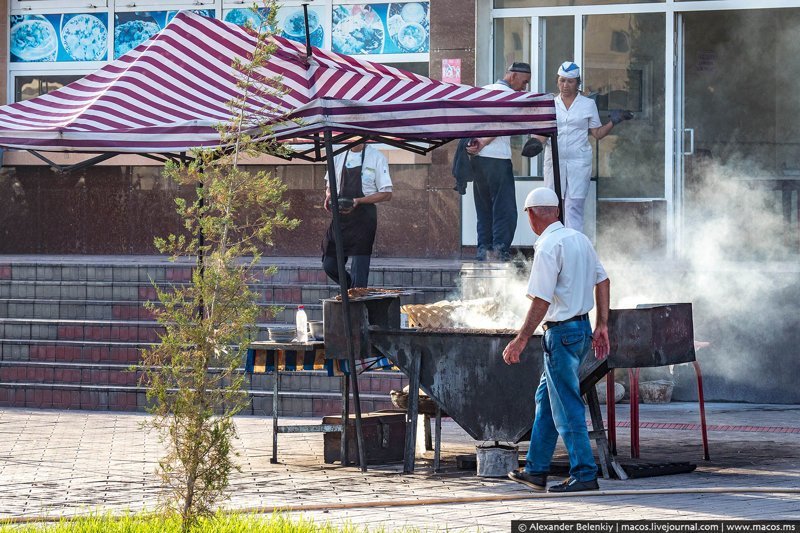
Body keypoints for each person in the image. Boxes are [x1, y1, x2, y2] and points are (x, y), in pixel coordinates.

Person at [503, 187, 610, 493]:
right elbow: (603, 280)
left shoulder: (548, 246)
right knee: (546, 401)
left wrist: (521, 339)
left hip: (560, 334)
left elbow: (541, 300)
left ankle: (585, 474)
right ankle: (536, 469)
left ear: (532, 215)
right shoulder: (580, 239)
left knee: (566, 405)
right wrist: (602, 324)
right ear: (557, 212)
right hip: (580, 331)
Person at [540, 61, 632, 233]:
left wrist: (614, 121)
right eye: (562, 80)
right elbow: (541, 133)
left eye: (570, 81)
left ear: (577, 83)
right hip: (554, 160)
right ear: (557, 81)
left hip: (578, 161)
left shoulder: (587, 104)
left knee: (573, 205)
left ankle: (573, 246)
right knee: (553, 204)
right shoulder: (550, 104)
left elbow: (597, 133)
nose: (565, 85)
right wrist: (535, 143)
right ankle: (554, 243)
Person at [465, 62, 532, 261]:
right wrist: (484, 142)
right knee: (504, 209)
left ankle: (483, 250)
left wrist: (473, 146)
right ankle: (500, 251)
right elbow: (502, 121)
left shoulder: (482, 91)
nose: (525, 87)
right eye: (524, 81)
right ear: (512, 76)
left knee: (483, 207)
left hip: (477, 161)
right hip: (498, 159)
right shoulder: (510, 95)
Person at [321, 143, 392, 288]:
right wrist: (329, 196)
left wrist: (358, 201)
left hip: (364, 219)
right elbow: (329, 186)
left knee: (359, 274)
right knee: (329, 265)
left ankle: (357, 299)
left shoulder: (377, 157)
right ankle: (351, 291)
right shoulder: (337, 155)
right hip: (340, 217)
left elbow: (387, 194)